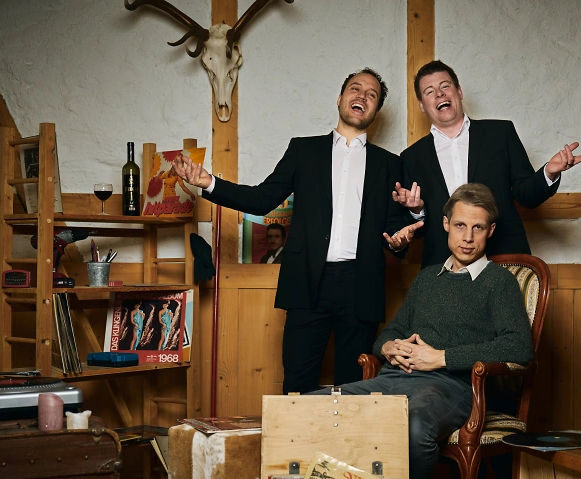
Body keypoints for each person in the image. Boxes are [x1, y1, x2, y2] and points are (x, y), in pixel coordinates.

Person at [171, 68, 422, 394]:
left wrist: (405, 232)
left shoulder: (389, 163)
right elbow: (262, 199)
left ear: (376, 111)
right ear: (340, 99)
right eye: (355, 88)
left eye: (371, 94)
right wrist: (209, 183)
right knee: (297, 387)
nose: (362, 96)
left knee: (355, 390)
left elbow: (394, 229)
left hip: (362, 286)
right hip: (306, 282)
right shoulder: (304, 151)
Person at [311, 183, 533, 479]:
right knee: (310, 407)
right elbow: (391, 331)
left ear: (490, 231)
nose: (468, 237)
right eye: (460, 225)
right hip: (392, 378)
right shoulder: (428, 278)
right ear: (446, 224)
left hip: (450, 388)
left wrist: (441, 357)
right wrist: (389, 347)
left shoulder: (499, 282)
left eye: (478, 228)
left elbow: (519, 346)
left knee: (412, 426)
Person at [393, 60, 581, 268]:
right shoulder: (411, 157)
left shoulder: (500, 134)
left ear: (459, 91)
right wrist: (417, 211)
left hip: (504, 258)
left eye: (445, 86)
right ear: (421, 105)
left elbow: (526, 196)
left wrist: (549, 173)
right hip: (443, 267)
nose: (439, 94)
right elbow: (416, 230)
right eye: (429, 91)